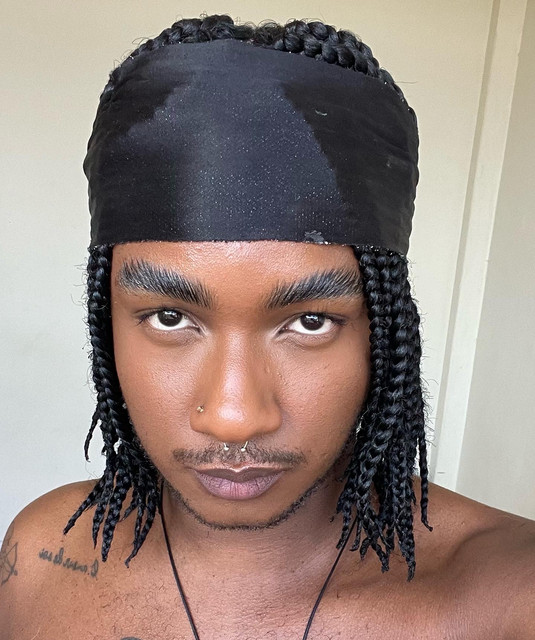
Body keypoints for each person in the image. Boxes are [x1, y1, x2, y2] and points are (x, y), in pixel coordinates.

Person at [1, 14, 533, 640]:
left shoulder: (505, 600)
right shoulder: (41, 559)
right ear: (107, 322)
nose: (234, 418)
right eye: (170, 317)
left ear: (382, 333)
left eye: (310, 321)